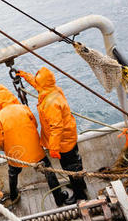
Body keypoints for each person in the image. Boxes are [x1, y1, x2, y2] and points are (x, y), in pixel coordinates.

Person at [0, 84, 71, 207]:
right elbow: (35, 125)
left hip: (15, 154)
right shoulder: (23, 108)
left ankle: (14, 196)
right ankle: (59, 198)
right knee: (49, 171)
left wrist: (5, 149)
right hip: (36, 152)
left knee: (13, 173)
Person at [18, 67, 88, 202]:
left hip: (63, 142)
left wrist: (54, 147)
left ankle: (80, 195)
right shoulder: (52, 89)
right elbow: (37, 83)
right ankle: (80, 184)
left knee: (70, 167)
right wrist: (25, 75)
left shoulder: (51, 103)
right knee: (75, 164)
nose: (37, 84)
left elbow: (56, 127)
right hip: (69, 136)